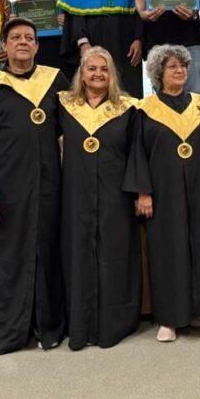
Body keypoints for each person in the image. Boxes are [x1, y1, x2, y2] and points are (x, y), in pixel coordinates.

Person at [0, 17, 67, 354]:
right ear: (3, 46)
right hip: (7, 189)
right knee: (10, 260)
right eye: (16, 37)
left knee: (49, 255)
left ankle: (49, 327)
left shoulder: (55, 81)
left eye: (29, 38)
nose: (23, 42)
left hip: (50, 187)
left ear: (37, 46)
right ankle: (11, 332)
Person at [124, 45, 200, 343]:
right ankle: (170, 318)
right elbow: (138, 152)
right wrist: (143, 192)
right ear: (159, 73)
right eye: (172, 67)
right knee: (169, 250)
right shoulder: (145, 110)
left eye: (183, 66)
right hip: (164, 191)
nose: (180, 70)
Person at [57, 47, 140, 350]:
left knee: (113, 256)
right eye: (91, 68)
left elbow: (137, 153)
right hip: (75, 193)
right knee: (78, 255)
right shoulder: (64, 105)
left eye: (104, 69)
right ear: (82, 73)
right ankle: (80, 325)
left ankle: (113, 325)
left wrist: (138, 192)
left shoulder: (128, 108)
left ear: (112, 75)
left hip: (115, 194)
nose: (98, 74)